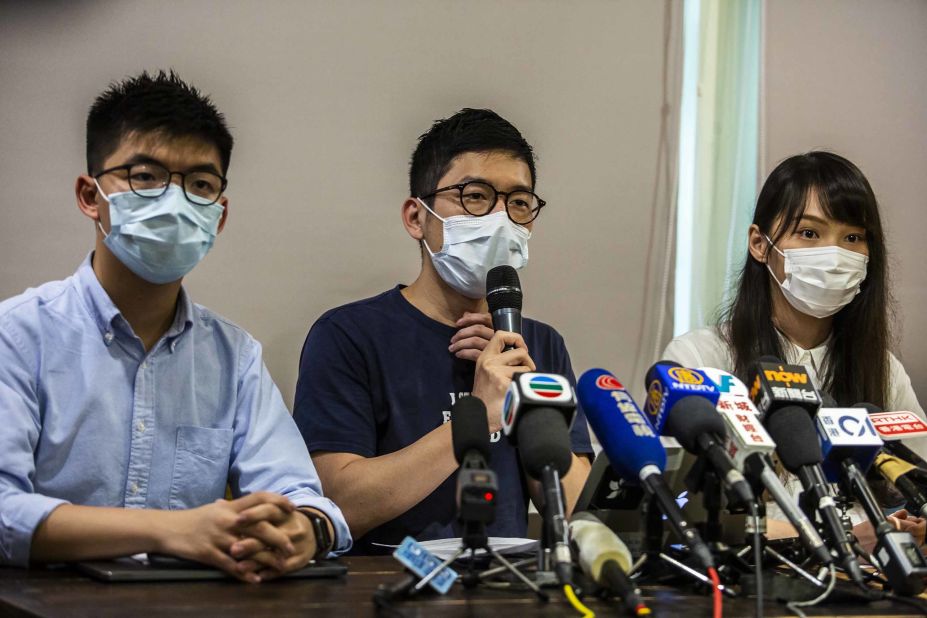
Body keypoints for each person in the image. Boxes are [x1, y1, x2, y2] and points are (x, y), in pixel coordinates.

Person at [0, 71, 350, 579]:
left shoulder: (234, 357)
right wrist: (168, 530)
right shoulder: (18, 334)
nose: (175, 200)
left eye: (200, 185)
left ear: (219, 216)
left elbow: (304, 498)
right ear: (89, 195)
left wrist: (305, 530)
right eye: (146, 176)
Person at [293, 108, 593, 554]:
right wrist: (480, 412)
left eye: (519, 202)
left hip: (509, 586)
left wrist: (525, 406)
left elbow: (576, 513)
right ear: (417, 217)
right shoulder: (349, 335)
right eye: (475, 196)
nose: (500, 218)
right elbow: (338, 503)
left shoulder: (541, 343)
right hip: (388, 584)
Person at [662, 151, 925, 546]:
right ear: (759, 243)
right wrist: (839, 539)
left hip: (866, 590)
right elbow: (680, 508)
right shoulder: (701, 361)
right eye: (809, 233)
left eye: (852, 238)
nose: (835, 255)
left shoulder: (883, 371)